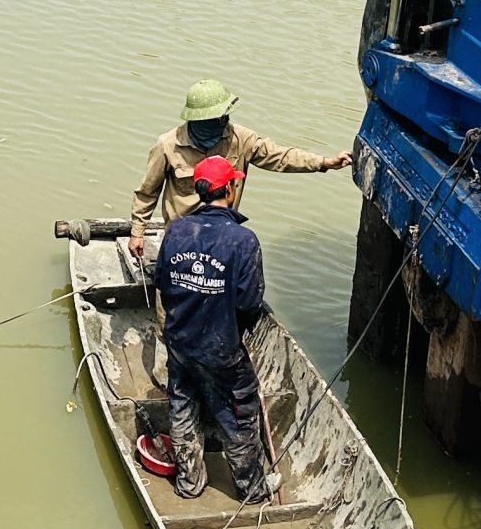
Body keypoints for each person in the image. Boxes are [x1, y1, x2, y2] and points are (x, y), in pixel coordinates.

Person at [150, 156, 273, 503]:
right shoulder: (243, 240)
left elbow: (161, 281)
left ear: (198, 190)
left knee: (183, 407)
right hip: (221, 350)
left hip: (180, 343)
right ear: (230, 189)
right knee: (240, 412)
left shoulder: (175, 230)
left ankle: (189, 484)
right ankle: (252, 491)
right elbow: (250, 303)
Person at [128, 79, 350, 261]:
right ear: (200, 119)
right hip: (182, 235)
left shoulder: (239, 139)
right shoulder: (168, 145)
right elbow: (148, 191)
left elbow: (280, 156)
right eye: (219, 117)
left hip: (224, 235)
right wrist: (137, 232)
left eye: (226, 116)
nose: (225, 121)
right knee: (171, 299)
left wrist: (324, 162)